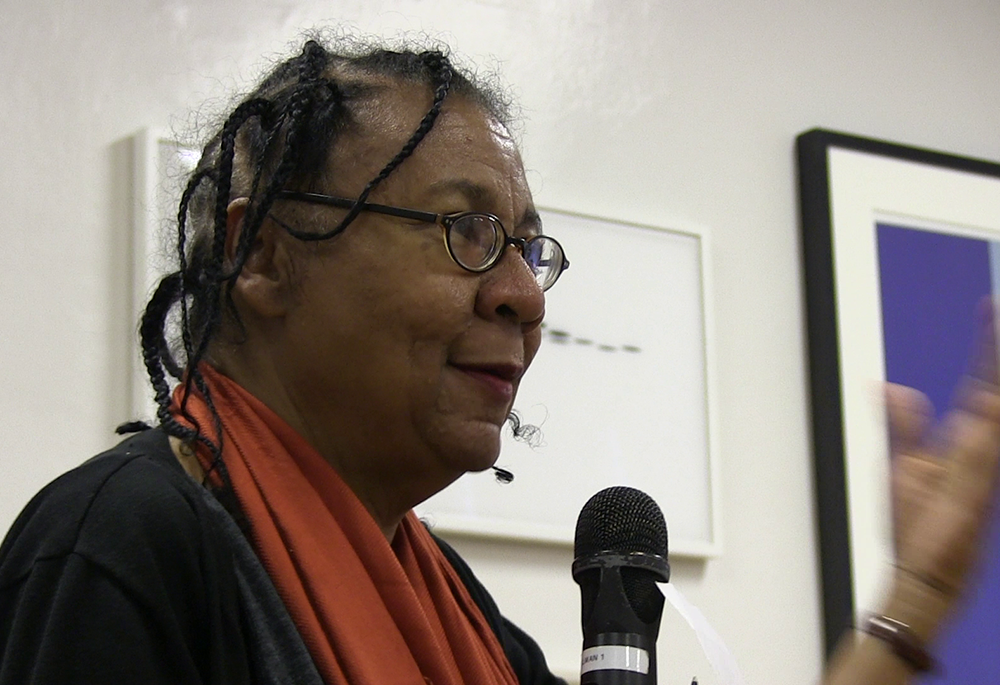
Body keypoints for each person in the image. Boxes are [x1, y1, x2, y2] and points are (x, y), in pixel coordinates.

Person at [0, 34, 996, 685]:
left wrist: (914, 599)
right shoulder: (125, 541)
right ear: (263, 251)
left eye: (528, 246)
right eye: (463, 230)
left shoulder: (453, 612)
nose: (522, 294)